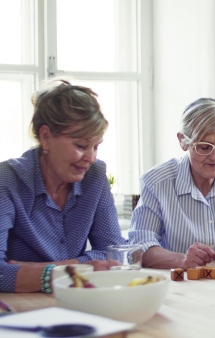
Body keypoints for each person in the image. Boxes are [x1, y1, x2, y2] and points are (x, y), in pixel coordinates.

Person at [0, 79, 127, 293]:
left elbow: (113, 253)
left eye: (96, 146)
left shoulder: (95, 176)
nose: (90, 158)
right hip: (20, 308)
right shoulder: (7, 179)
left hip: (78, 300)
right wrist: (72, 271)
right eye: (80, 145)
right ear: (46, 137)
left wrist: (42, 270)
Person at [129, 98, 215, 269]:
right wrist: (182, 260)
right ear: (183, 141)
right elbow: (140, 245)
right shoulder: (157, 182)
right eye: (204, 147)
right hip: (178, 281)